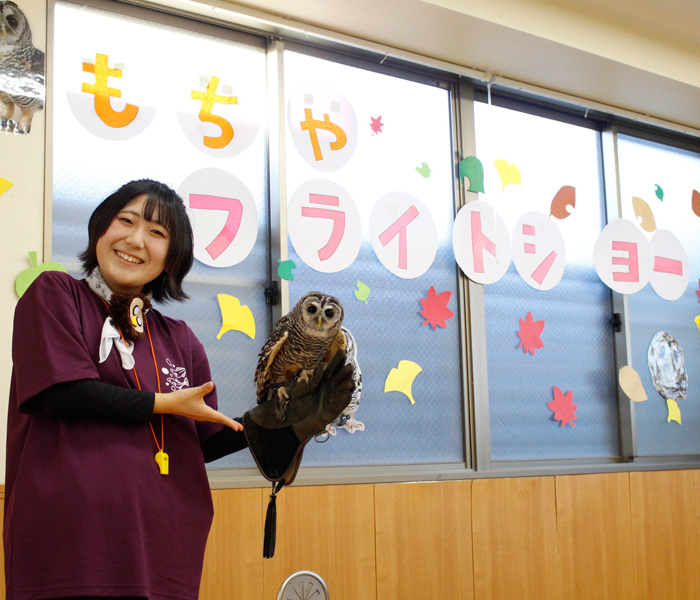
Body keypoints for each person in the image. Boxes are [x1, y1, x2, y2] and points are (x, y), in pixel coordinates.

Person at [5, 179, 354, 600]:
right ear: (100, 228)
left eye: (157, 233)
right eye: (126, 221)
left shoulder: (179, 337)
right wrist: (162, 403)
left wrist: (282, 420)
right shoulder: (55, 293)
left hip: (165, 554)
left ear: (171, 258)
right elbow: (59, 393)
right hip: (72, 550)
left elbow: (199, 442)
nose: (135, 240)